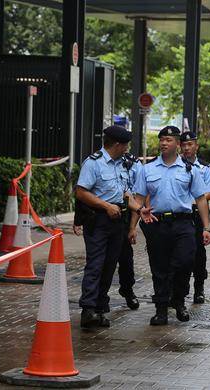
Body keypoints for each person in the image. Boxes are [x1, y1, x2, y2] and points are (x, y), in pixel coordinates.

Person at [129, 125, 210, 326]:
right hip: (157, 224)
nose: (164, 143)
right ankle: (161, 309)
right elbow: (139, 198)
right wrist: (132, 227)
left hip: (183, 223)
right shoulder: (147, 169)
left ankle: (179, 299)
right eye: (162, 140)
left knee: (184, 262)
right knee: (159, 267)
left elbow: (201, 199)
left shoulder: (189, 169)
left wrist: (207, 228)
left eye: (168, 140)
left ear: (177, 144)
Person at [75, 125, 156, 329]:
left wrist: (139, 209)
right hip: (98, 220)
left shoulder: (121, 164)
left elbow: (125, 194)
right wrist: (105, 206)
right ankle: (88, 309)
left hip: (117, 220)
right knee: (95, 264)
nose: (128, 148)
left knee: (109, 266)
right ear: (118, 145)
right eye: (126, 145)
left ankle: (100, 309)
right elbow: (81, 192)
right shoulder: (93, 163)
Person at [180, 131, 210, 304]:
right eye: (184, 144)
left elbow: (209, 193)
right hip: (181, 214)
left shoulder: (204, 168)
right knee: (181, 252)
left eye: (190, 144)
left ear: (196, 146)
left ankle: (199, 287)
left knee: (198, 253)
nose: (187, 148)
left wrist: (196, 199)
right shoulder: (176, 165)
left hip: (197, 213)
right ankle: (181, 287)